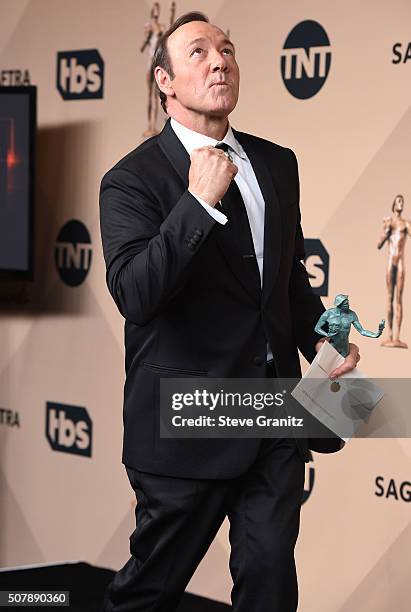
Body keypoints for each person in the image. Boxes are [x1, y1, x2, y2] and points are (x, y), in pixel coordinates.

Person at [99, 11, 360, 612]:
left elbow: (284, 277)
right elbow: (136, 294)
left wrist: (324, 336)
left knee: (270, 581)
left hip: (273, 415)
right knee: (149, 592)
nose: (219, 61)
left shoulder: (276, 163)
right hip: (189, 420)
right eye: (197, 52)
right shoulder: (131, 181)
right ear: (163, 81)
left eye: (227, 50)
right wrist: (197, 202)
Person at [377, 194, 410, 348]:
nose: (401, 204)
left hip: (401, 262)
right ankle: (390, 335)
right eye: (398, 201)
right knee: (390, 297)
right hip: (391, 262)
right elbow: (379, 244)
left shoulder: (406, 224)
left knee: (399, 298)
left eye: (402, 201)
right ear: (394, 204)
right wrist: (386, 230)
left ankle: (397, 336)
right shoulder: (389, 222)